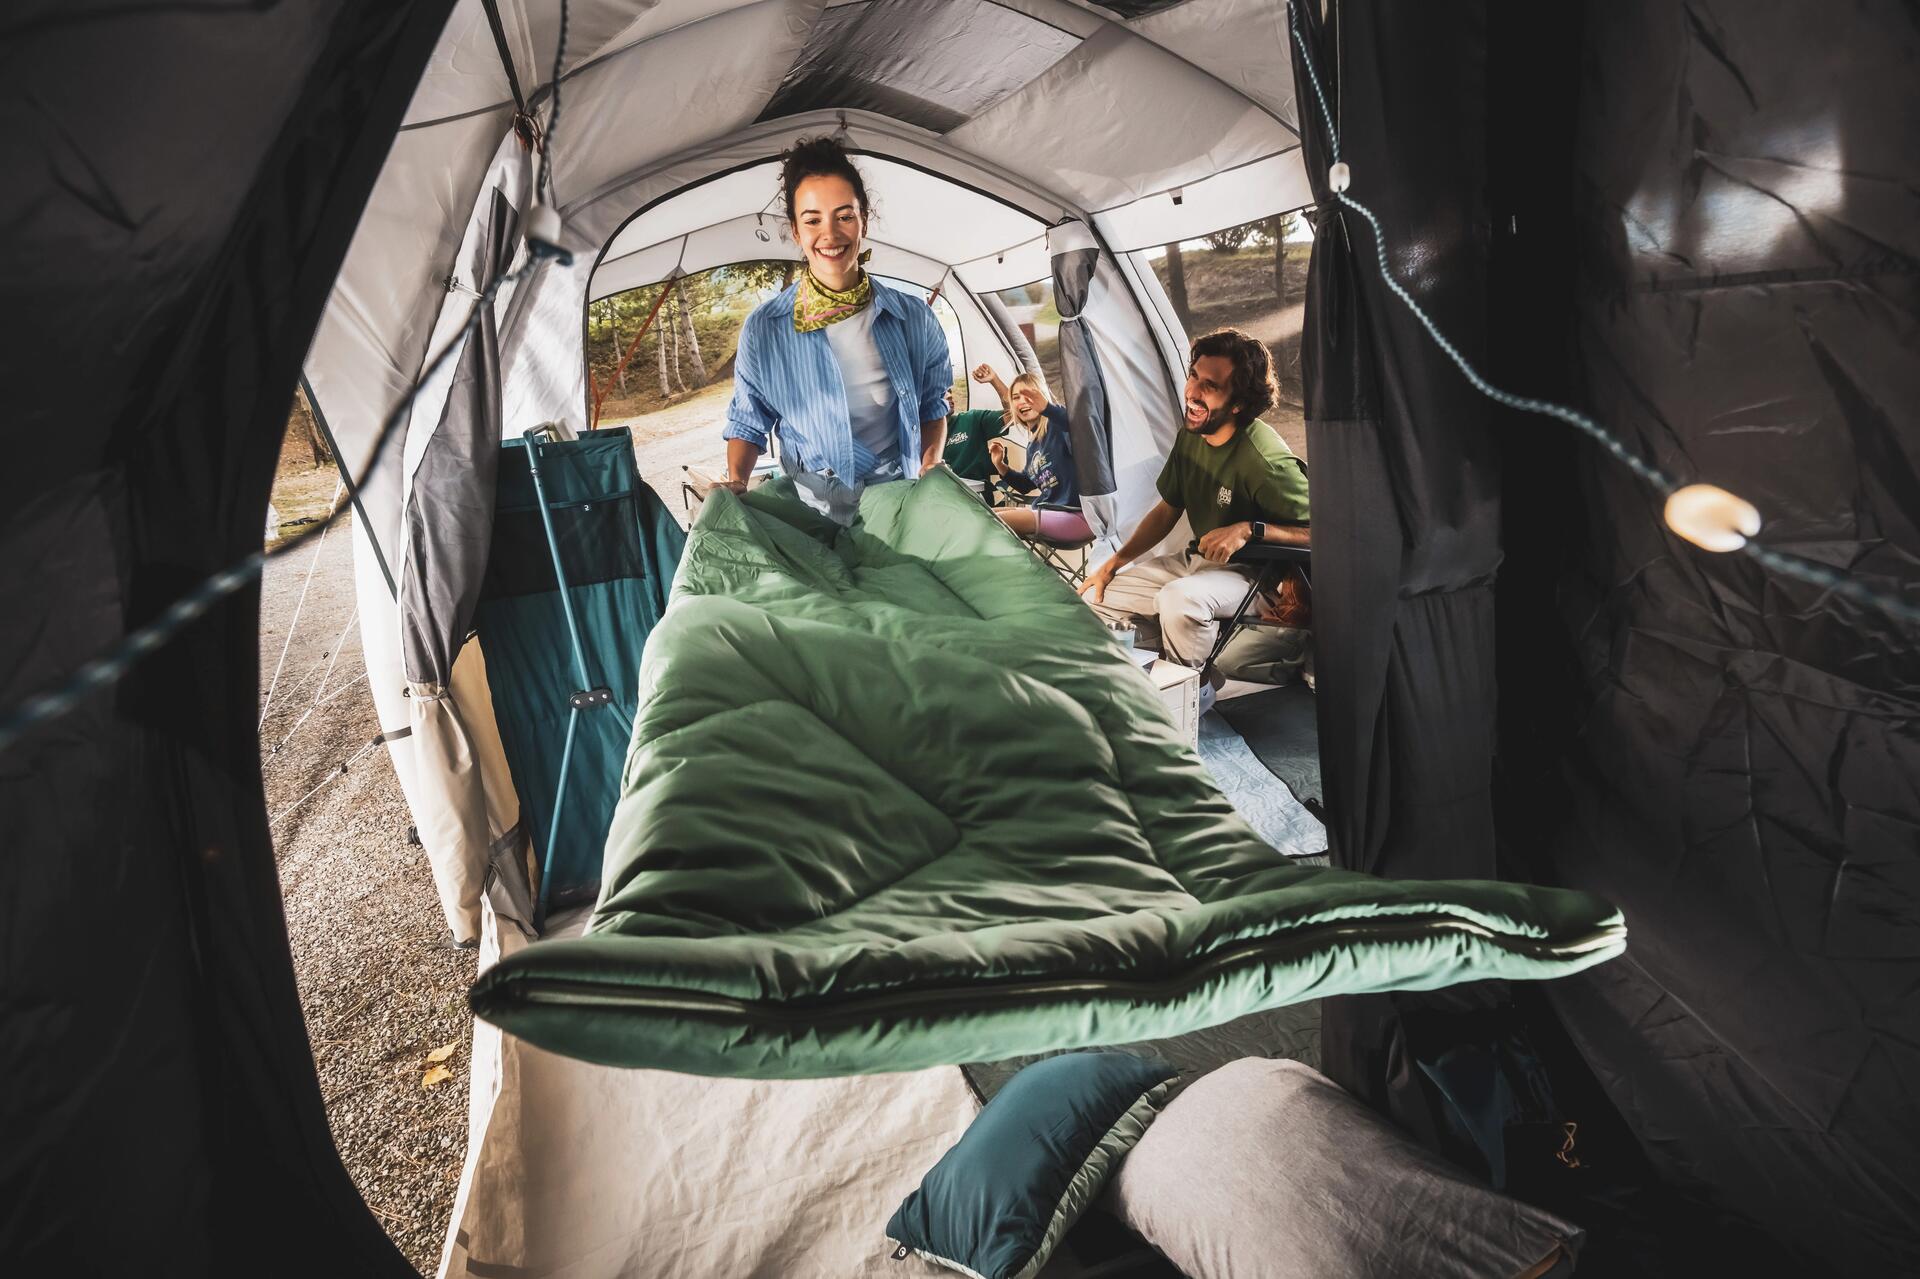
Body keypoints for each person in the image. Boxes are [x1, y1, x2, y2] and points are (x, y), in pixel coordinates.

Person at [720, 136, 952, 521]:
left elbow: (932, 404)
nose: (830, 234)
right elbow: (748, 420)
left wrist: (931, 465)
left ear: (864, 220)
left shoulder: (913, 317)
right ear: (795, 231)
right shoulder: (766, 330)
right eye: (812, 220)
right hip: (810, 501)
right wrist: (737, 481)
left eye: (845, 216)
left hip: (898, 494)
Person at [1080, 328, 1309, 671]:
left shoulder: (1265, 461)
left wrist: (1250, 529)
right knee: (1093, 599)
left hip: (1254, 578)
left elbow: (1328, 532)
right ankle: (1155, 677)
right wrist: (1111, 566)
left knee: (1179, 600)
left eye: (1210, 386)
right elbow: (1166, 511)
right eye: (1193, 376)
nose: (1192, 392)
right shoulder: (1191, 437)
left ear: (1239, 403)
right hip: (1196, 563)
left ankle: (1192, 692)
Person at [971, 365, 1090, 543]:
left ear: (1041, 396)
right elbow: (1026, 485)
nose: (1022, 401)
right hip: (1048, 512)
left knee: (986, 521)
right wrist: (1000, 465)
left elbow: (1080, 425)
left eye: (1029, 395)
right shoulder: (1033, 446)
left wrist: (1048, 408)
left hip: (1075, 515)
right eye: (1016, 397)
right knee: (980, 513)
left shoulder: (1059, 426)